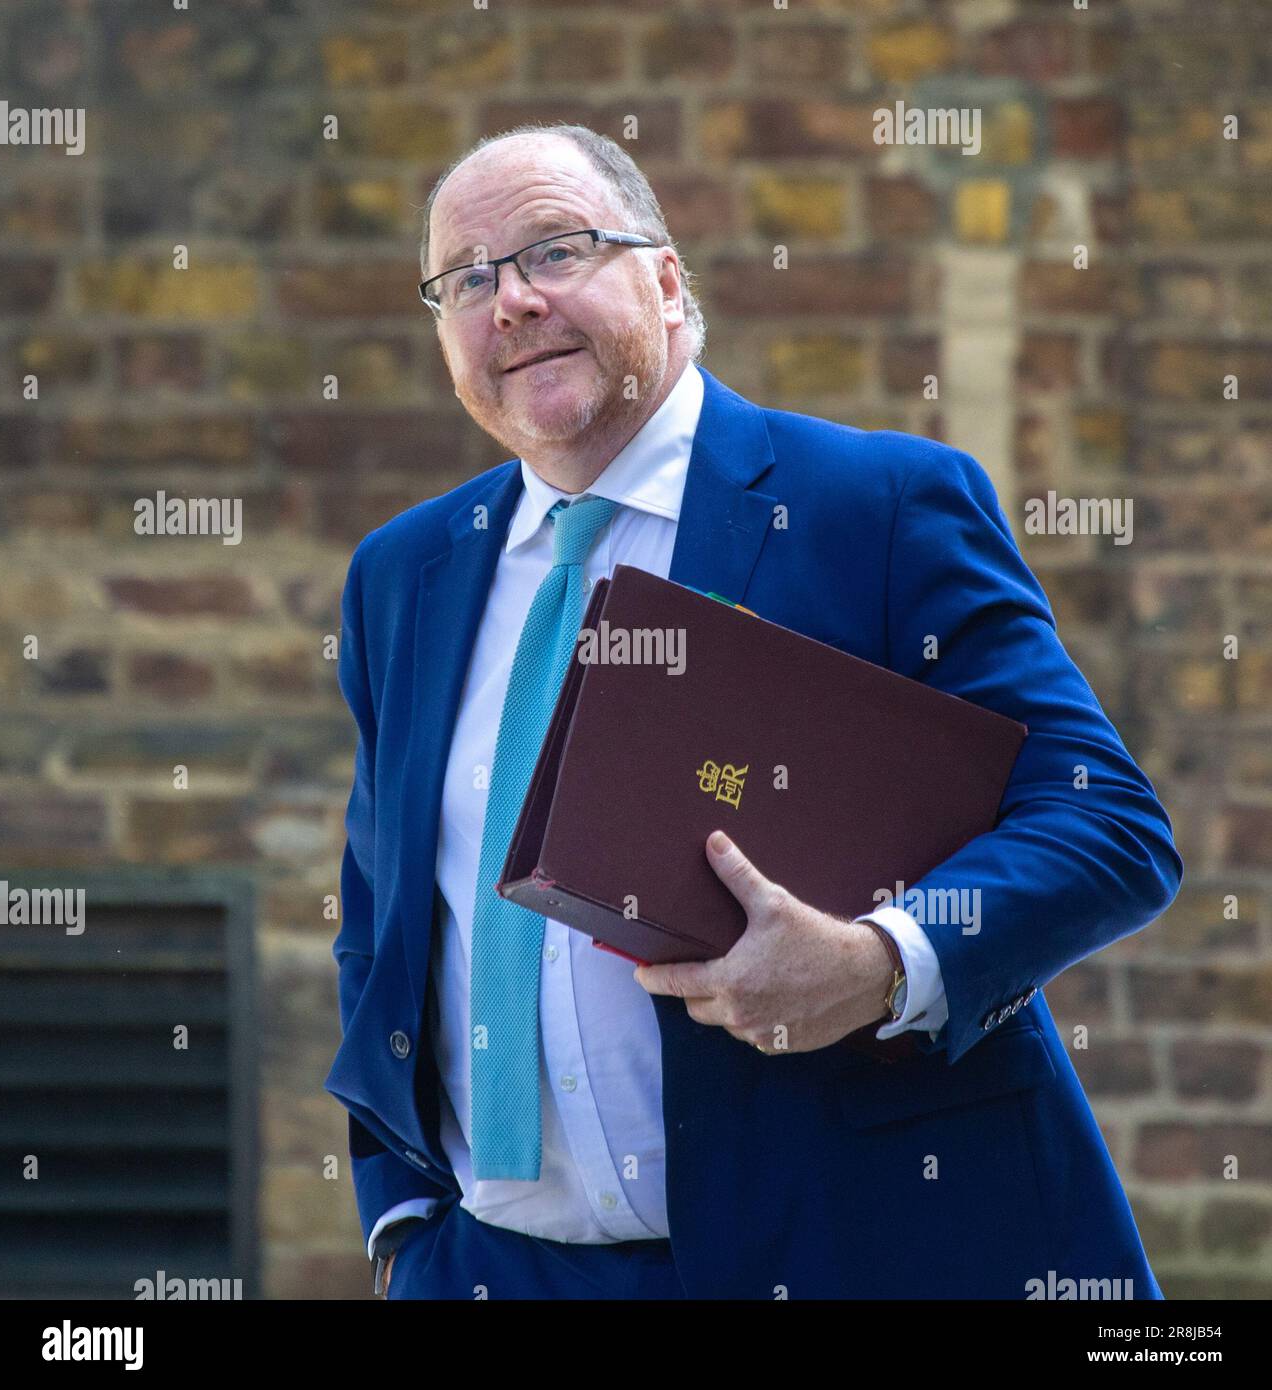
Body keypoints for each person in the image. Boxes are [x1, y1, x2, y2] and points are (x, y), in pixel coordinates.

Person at [324, 122, 1183, 1300]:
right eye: (464, 280)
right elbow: (382, 918)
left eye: (553, 251)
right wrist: (404, 1222)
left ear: (668, 281)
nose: (509, 300)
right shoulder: (402, 574)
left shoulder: (872, 506)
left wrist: (881, 961)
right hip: (491, 1269)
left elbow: (1106, 826)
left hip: (845, 1250)